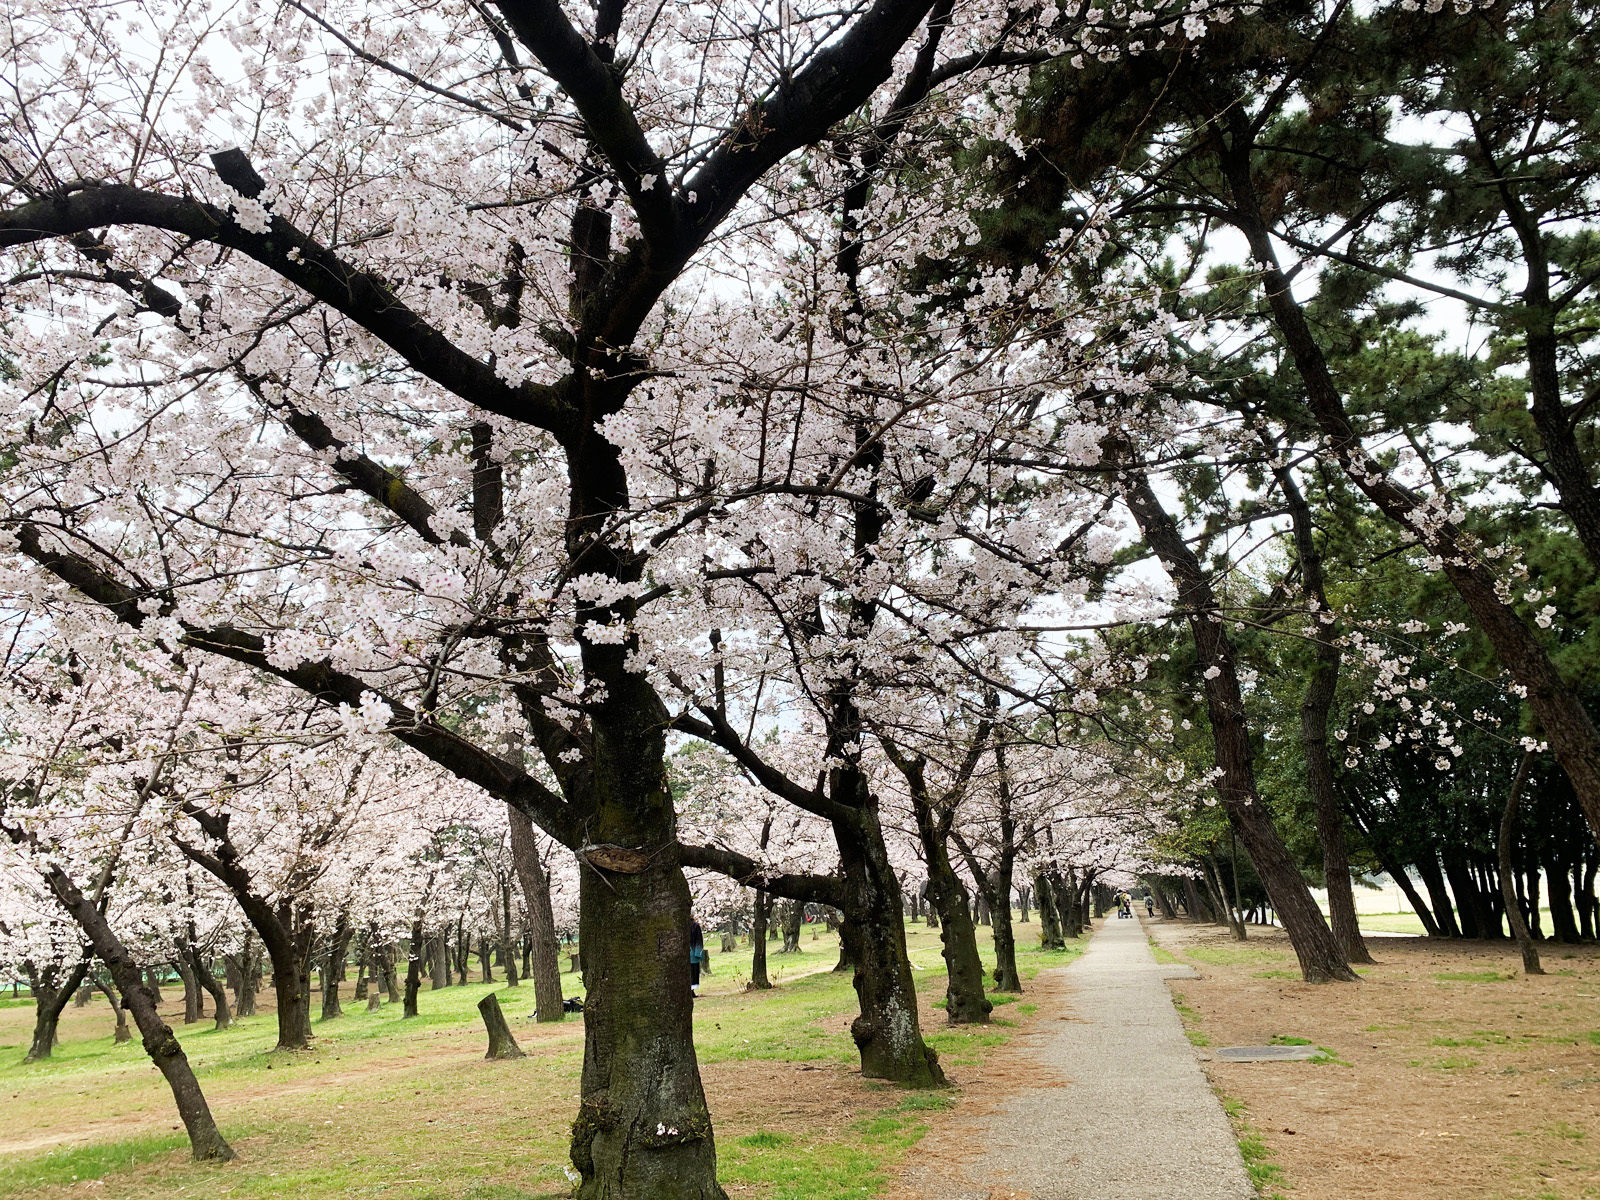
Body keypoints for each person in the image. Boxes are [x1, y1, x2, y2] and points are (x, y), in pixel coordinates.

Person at [689, 919, 705, 998]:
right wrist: (699, 953)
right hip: (693, 953)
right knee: (693, 972)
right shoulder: (695, 926)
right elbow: (699, 940)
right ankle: (691, 991)